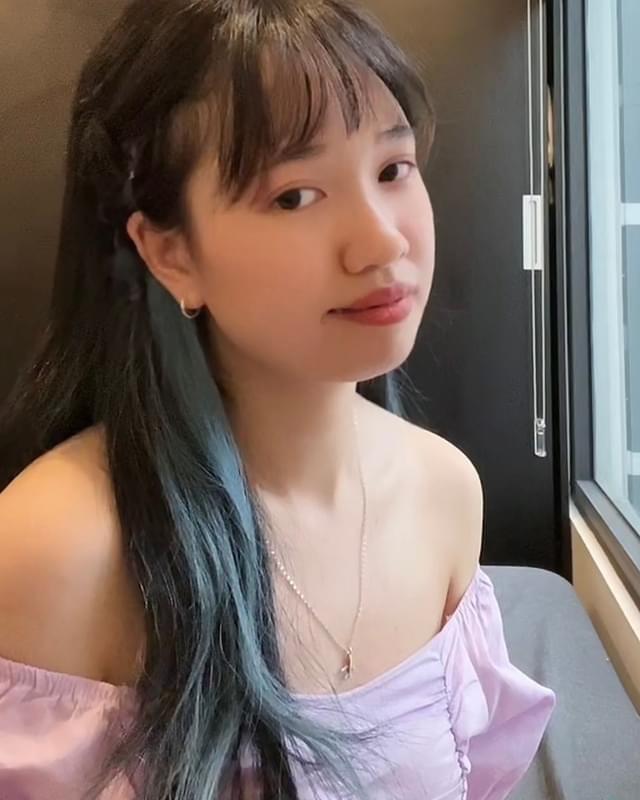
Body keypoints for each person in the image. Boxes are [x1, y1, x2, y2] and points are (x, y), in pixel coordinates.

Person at [0, 1, 556, 798]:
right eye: (295, 195)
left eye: (393, 169)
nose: (384, 240)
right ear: (170, 252)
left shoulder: (445, 492)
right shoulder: (57, 550)